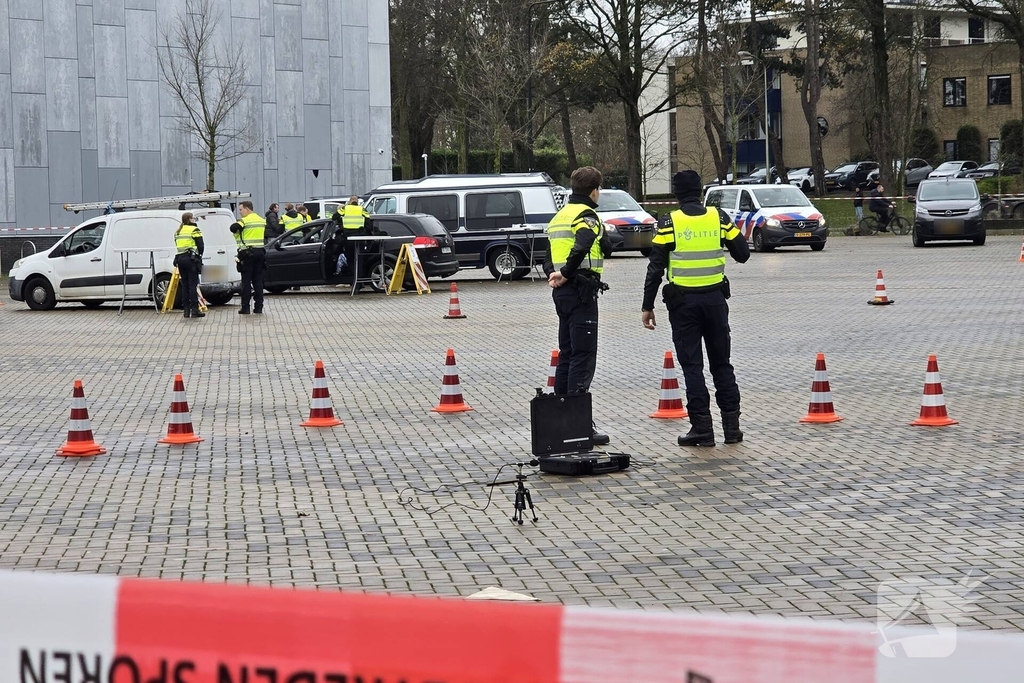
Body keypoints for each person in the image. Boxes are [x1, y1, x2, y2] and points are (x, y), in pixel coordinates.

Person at [642, 170, 750, 447]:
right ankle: (732, 429)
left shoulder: (669, 223)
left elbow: (655, 268)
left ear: (676, 194)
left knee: (692, 367)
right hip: (715, 302)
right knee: (722, 364)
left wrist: (647, 305)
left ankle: (702, 429)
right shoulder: (719, 217)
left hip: (683, 306)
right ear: (700, 191)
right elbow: (743, 254)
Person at [543, 166, 613, 445]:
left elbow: (548, 253)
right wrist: (569, 272)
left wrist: (554, 273)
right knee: (583, 357)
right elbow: (584, 241)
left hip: (562, 293)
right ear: (595, 190)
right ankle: (579, 424)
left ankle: (562, 421)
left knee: (568, 354)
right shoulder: (586, 215)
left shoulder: (560, 216)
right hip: (581, 290)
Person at [230, 200, 267, 315]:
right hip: (260, 252)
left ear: (247, 208)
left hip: (247, 254)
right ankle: (259, 307)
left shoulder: (244, 221)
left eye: (241, 209)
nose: (240, 212)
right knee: (258, 281)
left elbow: (233, 227)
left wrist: (237, 227)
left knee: (246, 281)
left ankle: (245, 307)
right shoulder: (261, 220)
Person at [174, 212, 205, 319]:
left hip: (180, 259)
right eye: (193, 218)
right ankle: (195, 310)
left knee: (185, 285)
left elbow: (177, 245)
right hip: (191, 259)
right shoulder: (194, 230)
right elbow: (201, 245)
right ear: (189, 219)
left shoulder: (178, 232)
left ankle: (186, 311)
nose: (194, 220)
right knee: (193, 284)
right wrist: (199, 255)